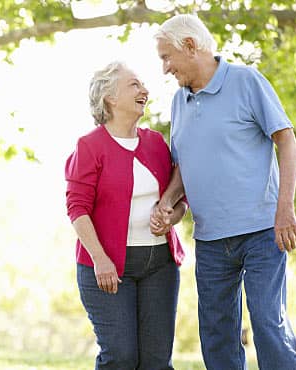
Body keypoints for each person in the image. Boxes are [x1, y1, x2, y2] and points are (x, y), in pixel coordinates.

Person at [151, 14, 296, 370]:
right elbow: (184, 167)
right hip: (211, 240)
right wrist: (167, 202)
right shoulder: (178, 102)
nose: (164, 68)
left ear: (190, 46)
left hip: (262, 232)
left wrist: (285, 209)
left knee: (268, 325)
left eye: (166, 57)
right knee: (217, 336)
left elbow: (288, 143)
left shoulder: (246, 80)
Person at [64, 61, 187, 370]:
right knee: (120, 357)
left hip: (160, 265)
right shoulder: (90, 146)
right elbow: (77, 208)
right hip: (108, 269)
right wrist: (100, 259)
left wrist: (171, 216)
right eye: (134, 85)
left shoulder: (156, 143)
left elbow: (180, 198)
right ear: (110, 98)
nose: (144, 90)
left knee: (156, 362)